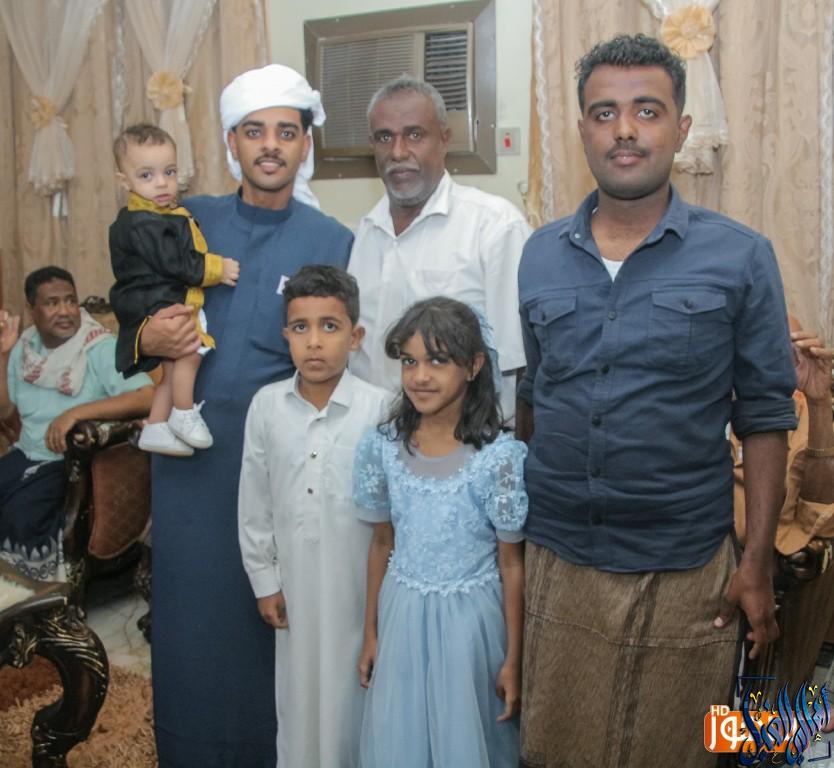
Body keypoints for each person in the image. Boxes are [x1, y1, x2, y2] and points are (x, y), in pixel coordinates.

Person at [516, 35, 797, 767]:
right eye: (604, 113)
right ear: (582, 129)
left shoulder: (740, 255)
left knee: (675, 749)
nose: (625, 130)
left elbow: (766, 416)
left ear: (681, 128)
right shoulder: (539, 255)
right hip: (560, 558)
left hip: (683, 563)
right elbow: (537, 396)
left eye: (647, 111)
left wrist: (756, 563)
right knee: (555, 748)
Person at [137, 65, 354, 767]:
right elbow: (135, 310)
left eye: (286, 132)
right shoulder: (188, 219)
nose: (270, 146)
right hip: (188, 461)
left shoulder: (332, 238)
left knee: (270, 617)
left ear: (305, 145)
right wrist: (145, 336)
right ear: (232, 142)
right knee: (190, 623)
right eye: (255, 132)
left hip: (279, 463)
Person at [354, 297, 526, 767]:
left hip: (472, 629)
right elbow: (381, 543)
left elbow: (512, 564)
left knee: (464, 741)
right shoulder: (383, 448)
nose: (420, 376)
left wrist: (514, 659)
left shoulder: (499, 458)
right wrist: (370, 633)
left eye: (437, 361)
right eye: (409, 361)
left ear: (473, 366)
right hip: (403, 619)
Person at [238, 265, 388, 768]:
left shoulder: (380, 410)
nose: (315, 342)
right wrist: (264, 581)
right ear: (286, 335)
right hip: (296, 588)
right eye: (301, 327)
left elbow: (391, 519)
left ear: (355, 337)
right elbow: (254, 502)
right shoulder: (266, 407)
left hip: (359, 591)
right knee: (299, 699)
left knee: (355, 701)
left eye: (330, 326)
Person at [347, 76, 530, 421]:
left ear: (445, 139)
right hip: (372, 436)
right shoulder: (366, 232)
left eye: (415, 134)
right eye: (385, 137)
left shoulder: (494, 227)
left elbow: (516, 363)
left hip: (464, 441)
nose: (398, 152)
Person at [0, 267, 153, 579]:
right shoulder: (26, 348)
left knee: (22, 517)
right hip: (27, 454)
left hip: (71, 463)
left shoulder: (99, 347)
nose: (65, 311)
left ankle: (32, 594)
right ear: (31, 309)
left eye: (70, 300)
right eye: (52, 303)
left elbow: (147, 396)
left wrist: (75, 413)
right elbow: (5, 412)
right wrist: (3, 355)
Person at [109, 123, 240, 456]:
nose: (162, 183)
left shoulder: (157, 214)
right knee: (190, 351)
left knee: (170, 368)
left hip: (154, 297)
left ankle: (155, 426)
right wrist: (217, 268)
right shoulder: (144, 222)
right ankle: (182, 412)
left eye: (169, 172)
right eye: (147, 175)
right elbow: (175, 262)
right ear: (124, 181)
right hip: (157, 300)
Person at [732, 319, 834, 687]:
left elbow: (819, 515)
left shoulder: (804, 407)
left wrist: (819, 402)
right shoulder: (709, 397)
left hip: (777, 563)